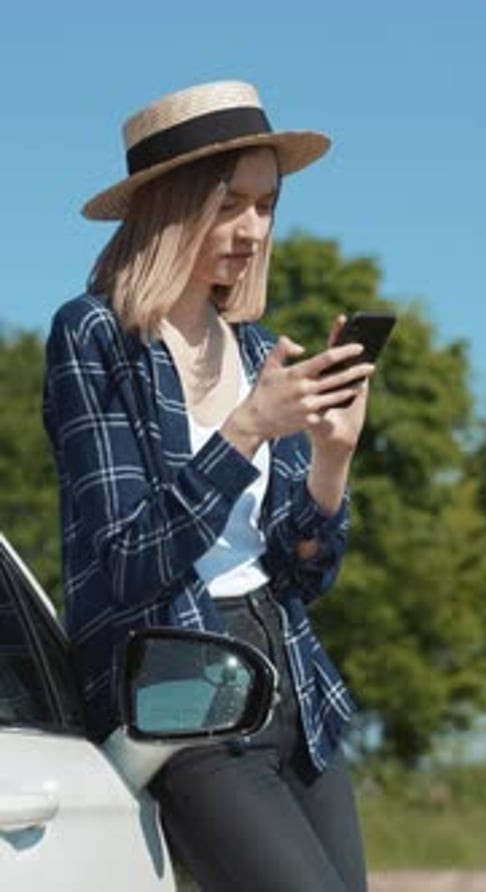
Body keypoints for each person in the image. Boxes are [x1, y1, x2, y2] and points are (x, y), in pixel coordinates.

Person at [43, 79, 374, 892]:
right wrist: (246, 431)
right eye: (230, 203)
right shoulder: (95, 337)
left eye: (265, 205)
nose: (253, 230)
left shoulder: (254, 348)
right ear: (173, 207)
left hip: (292, 679)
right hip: (179, 692)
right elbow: (126, 562)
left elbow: (304, 574)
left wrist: (332, 460)